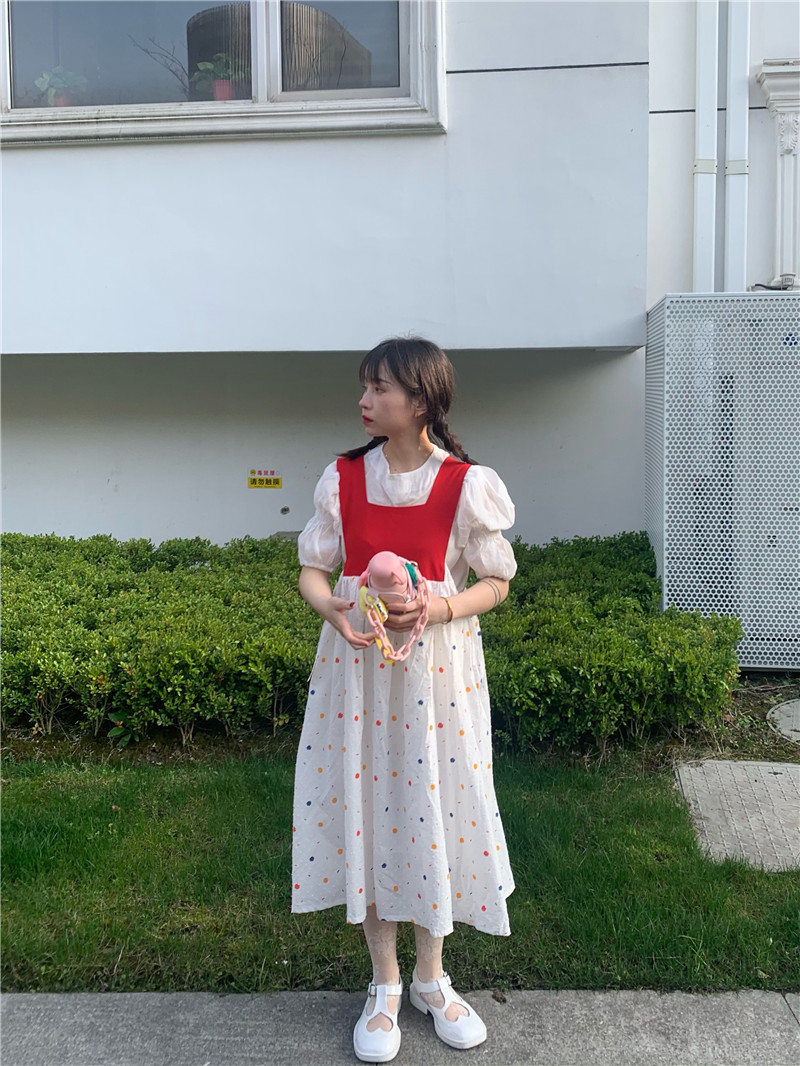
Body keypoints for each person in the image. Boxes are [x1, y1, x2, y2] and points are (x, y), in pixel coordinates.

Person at [291, 337, 517, 1063]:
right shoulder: (342, 478)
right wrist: (331, 609)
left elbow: (497, 581)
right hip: (358, 674)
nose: (364, 400)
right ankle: (384, 982)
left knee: (434, 805)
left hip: (436, 679)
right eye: (364, 387)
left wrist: (438, 608)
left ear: (421, 400)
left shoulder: (466, 484)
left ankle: (431, 978)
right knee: (370, 806)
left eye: (379, 388)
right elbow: (313, 569)